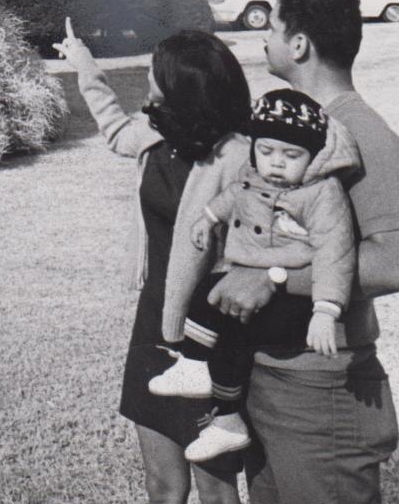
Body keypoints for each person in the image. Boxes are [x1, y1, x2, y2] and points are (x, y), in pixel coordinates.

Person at [204, 0, 399, 504]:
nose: (262, 38)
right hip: (271, 375)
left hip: (323, 389)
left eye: (272, 27)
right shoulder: (292, 127)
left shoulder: (362, 131)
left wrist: (270, 277)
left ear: (299, 45)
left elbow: (393, 260)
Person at [54, 20, 252, 504]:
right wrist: (84, 64)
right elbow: (117, 131)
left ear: (183, 87)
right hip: (152, 326)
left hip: (207, 336)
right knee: (162, 491)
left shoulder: (237, 156)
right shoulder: (159, 133)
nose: (148, 81)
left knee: (218, 500)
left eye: (155, 74)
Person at [147, 87, 359, 464]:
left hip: (291, 292)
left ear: (314, 156)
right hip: (246, 275)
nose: (276, 163)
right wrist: (209, 218)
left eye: (291, 155)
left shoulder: (322, 193)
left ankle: (224, 414)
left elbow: (335, 252)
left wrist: (326, 309)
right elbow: (235, 194)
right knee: (207, 297)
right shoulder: (255, 175)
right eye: (266, 151)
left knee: (233, 331)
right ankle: (206, 385)